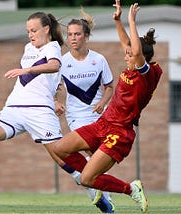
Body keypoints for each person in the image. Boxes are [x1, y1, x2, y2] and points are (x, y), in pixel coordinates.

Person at [0, 11, 113, 213]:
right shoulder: (28, 47)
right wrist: (54, 98)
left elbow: (54, 66)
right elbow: (47, 83)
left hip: (39, 113)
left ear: (46, 29)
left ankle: (99, 194)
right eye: (28, 31)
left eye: (34, 30)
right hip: (14, 108)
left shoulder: (53, 47)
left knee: (64, 159)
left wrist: (27, 71)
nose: (30, 34)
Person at [53, 1, 163, 213]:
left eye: (129, 54)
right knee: (60, 149)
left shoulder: (146, 74)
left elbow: (136, 52)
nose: (126, 55)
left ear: (141, 57)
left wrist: (131, 21)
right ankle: (97, 177)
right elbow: (128, 45)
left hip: (120, 132)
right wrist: (118, 21)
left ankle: (131, 189)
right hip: (103, 124)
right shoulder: (133, 65)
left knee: (87, 179)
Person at [55, 7, 115, 212]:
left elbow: (109, 86)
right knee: (90, 152)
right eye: (69, 34)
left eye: (77, 34)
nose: (72, 38)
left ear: (86, 36)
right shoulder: (62, 62)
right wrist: (55, 102)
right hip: (76, 116)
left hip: (99, 115)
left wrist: (102, 103)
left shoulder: (98, 59)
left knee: (98, 157)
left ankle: (101, 195)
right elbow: (51, 87)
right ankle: (101, 197)